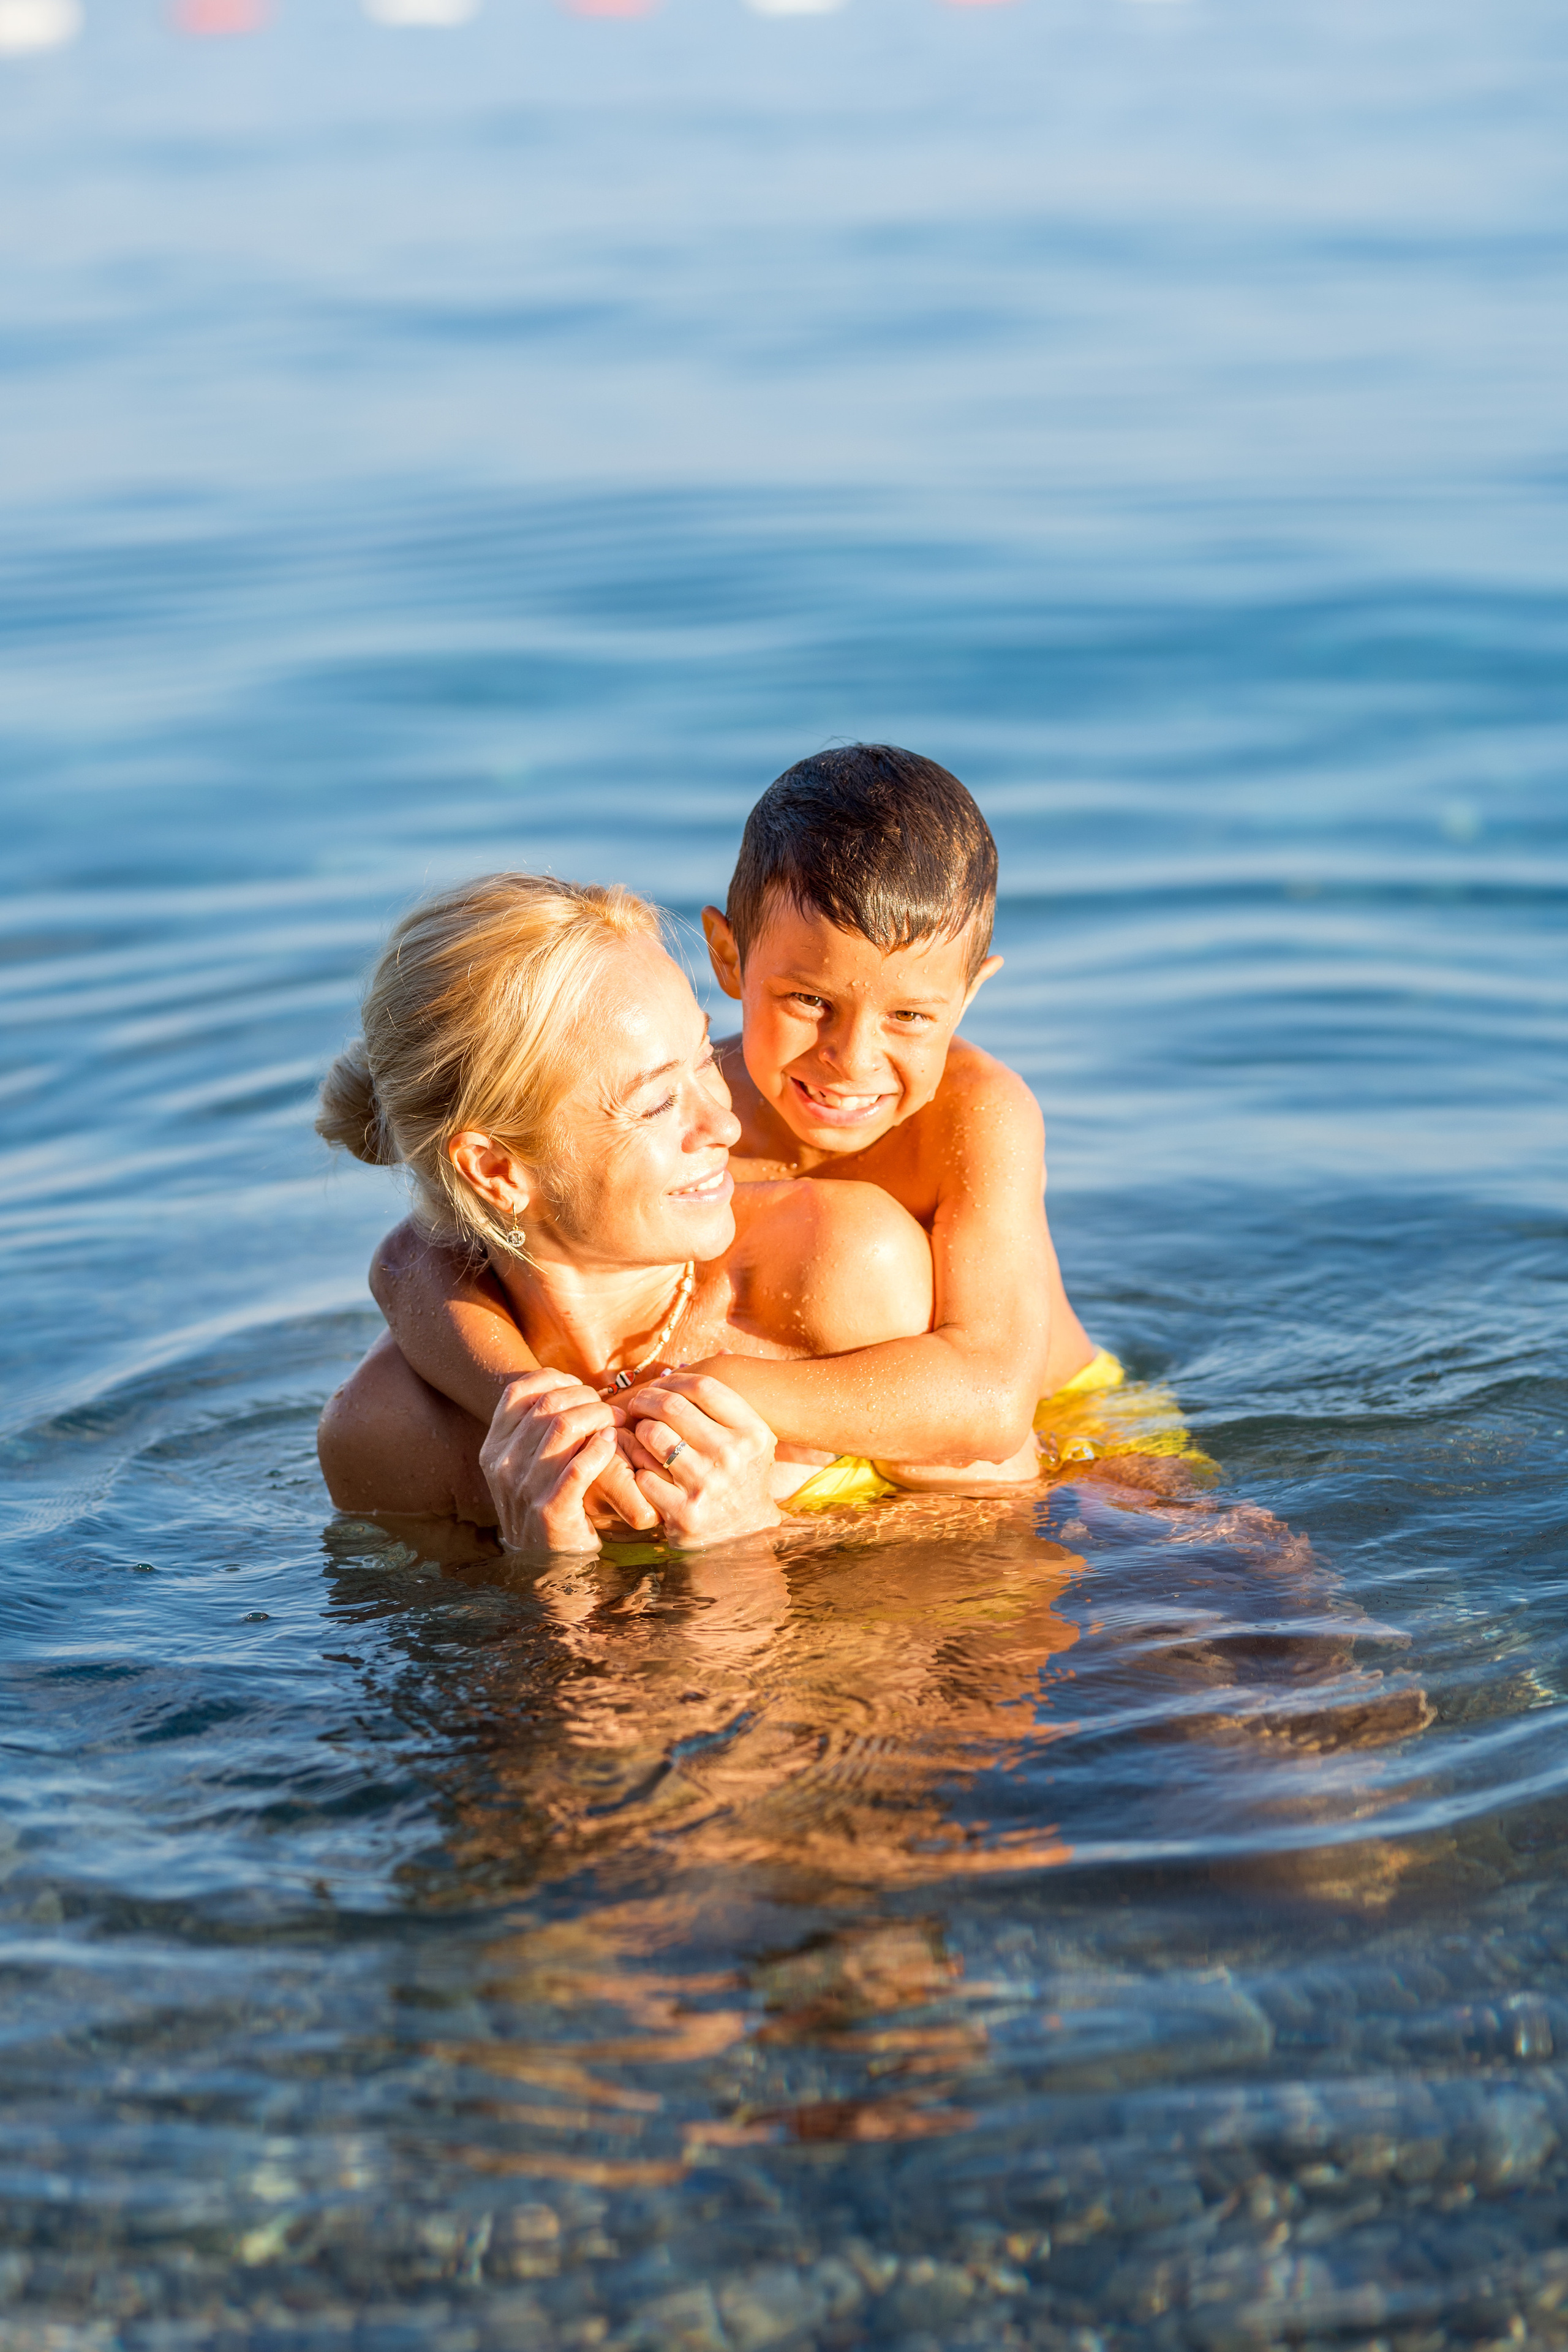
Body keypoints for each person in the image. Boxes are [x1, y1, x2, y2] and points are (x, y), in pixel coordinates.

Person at [369, 747, 1200, 1508]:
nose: (852, 1059)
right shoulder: (702, 1095)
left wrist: (709, 1386)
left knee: (1225, 1603)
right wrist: (530, 1400)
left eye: (911, 1015)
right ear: (729, 959)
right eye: (808, 1001)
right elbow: (412, 1263)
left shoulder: (976, 1114)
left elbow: (988, 1402)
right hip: (867, 1431)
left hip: (1078, 1427)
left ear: (971, 994)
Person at [315, 872, 940, 1553]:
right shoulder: (388, 1433)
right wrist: (549, 1579)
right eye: (654, 1104)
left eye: (705, 1058)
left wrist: (750, 1539)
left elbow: (1004, 1599)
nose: (723, 1125)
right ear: (496, 1170)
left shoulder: (840, 1267)